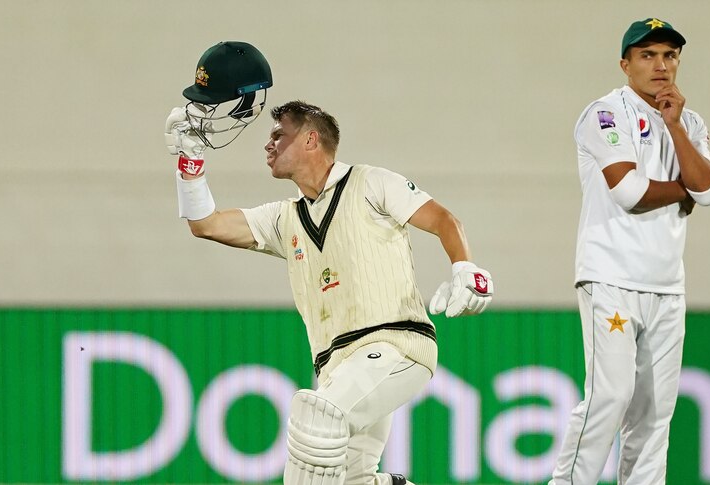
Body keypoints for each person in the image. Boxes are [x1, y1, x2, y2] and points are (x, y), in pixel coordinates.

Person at [166, 98, 493, 485]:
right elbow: (206, 224)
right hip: (338, 368)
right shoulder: (283, 217)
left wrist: (465, 267)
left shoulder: (370, 182)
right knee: (353, 478)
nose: (268, 145)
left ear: (310, 139)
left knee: (317, 418)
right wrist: (190, 164)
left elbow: (442, 219)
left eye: (278, 135)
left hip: (395, 345)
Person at [549, 18, 710, 485]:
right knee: (610, 394)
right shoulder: (604, 114)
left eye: (669, 55)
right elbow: (629, 189)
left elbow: (708, 190)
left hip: (667, 286)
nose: (661, 65)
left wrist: (674, 127)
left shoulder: (690, 121)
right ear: (626, 64)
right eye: (648, 55)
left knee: (654, 413)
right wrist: (683, 190)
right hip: (611, 278)